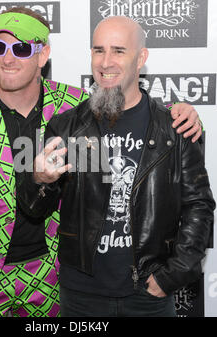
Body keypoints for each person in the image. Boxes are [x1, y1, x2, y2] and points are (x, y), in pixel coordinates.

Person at [0, 7, 201, 317]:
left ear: (42, 54)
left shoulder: (72, 106)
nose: (7, 59)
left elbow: (132, 108)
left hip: (49, 278)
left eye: (20, 48)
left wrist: (183, 112)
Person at [17, 16, 215, 317]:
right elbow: (34, 210)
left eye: (119, 51)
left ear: (141, 58)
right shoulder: (67, 126)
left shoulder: (173, 129)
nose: (106, 62)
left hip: (149, 295)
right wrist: (39, 179)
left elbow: (199, 206)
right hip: (81, 295)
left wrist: (171, 275)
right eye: (98, 50)